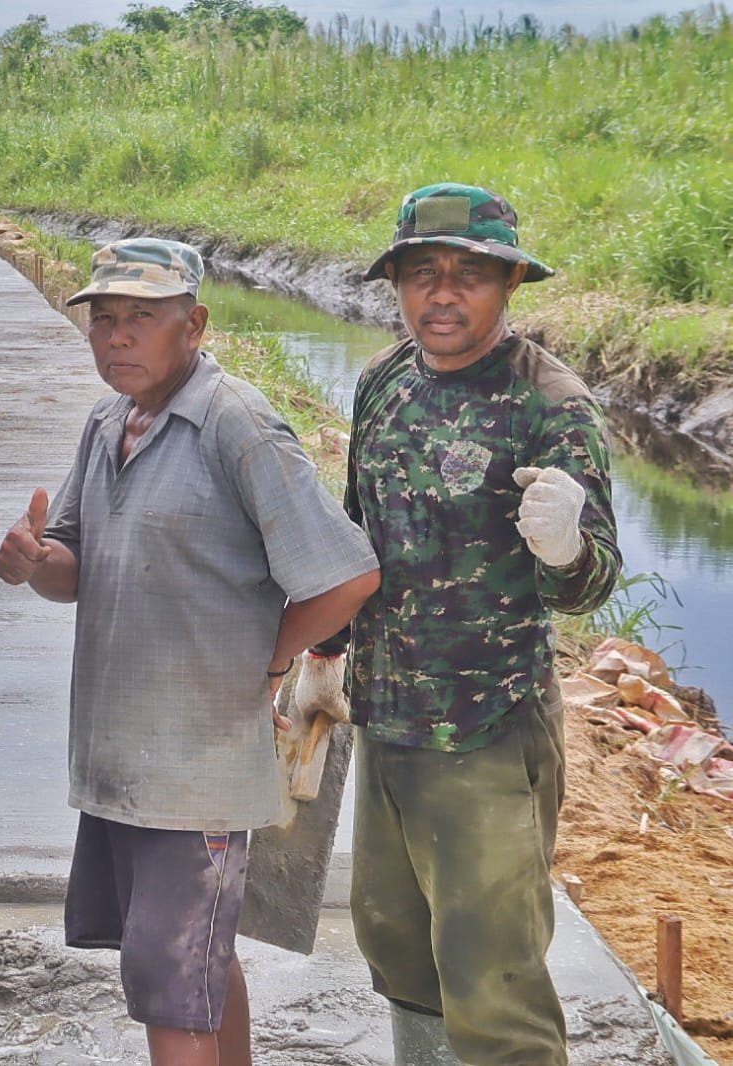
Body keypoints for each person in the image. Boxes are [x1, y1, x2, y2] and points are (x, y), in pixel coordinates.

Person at [0, 237, 380, 1066]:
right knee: (194, 969)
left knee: (171, 994)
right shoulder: (106, 422)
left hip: (193, 772)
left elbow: (345, 578)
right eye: (104, 319)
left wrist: (268, 668)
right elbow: (74, 567)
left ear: (194, 325)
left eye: (141, 318)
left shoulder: (236, 426)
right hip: (120, 764)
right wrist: (34, 563)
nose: (117, 337)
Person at [296, 183, 620, 1065]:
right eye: (421, 273)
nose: (442, 295)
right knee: (397, 949)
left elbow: (590, 584)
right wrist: (323, 651)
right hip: (388, 718)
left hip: (484, 730)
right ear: (395, 284)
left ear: (508, 285)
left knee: (494, 988)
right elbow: (356, 530)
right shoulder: (383, 381)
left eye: (468, 275)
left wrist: (563, 550)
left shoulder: (548, 405)